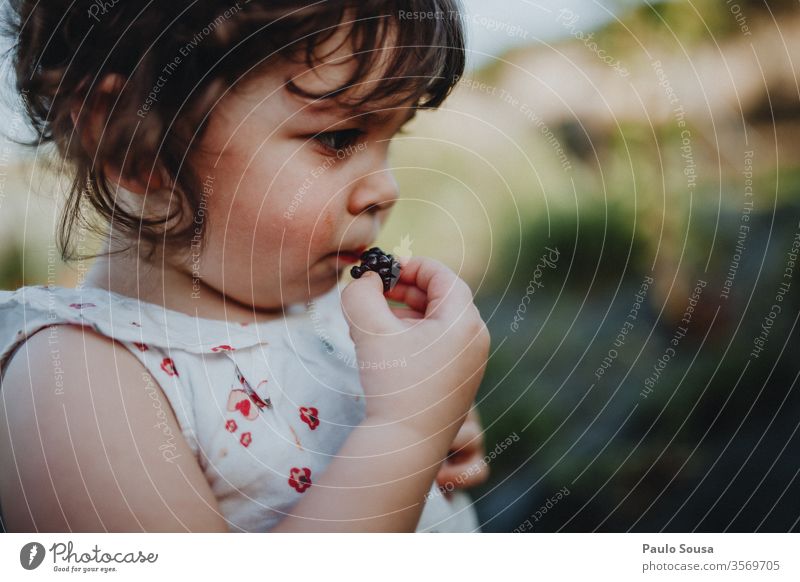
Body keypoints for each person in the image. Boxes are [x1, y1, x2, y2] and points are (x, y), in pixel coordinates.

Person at [0, 0, 491, 532]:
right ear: (137, 142)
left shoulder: (327, 314)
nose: (386, 189)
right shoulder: (78, 386)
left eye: (393, 136)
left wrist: (434, 429)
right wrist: (406, 433)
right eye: (338, 137)